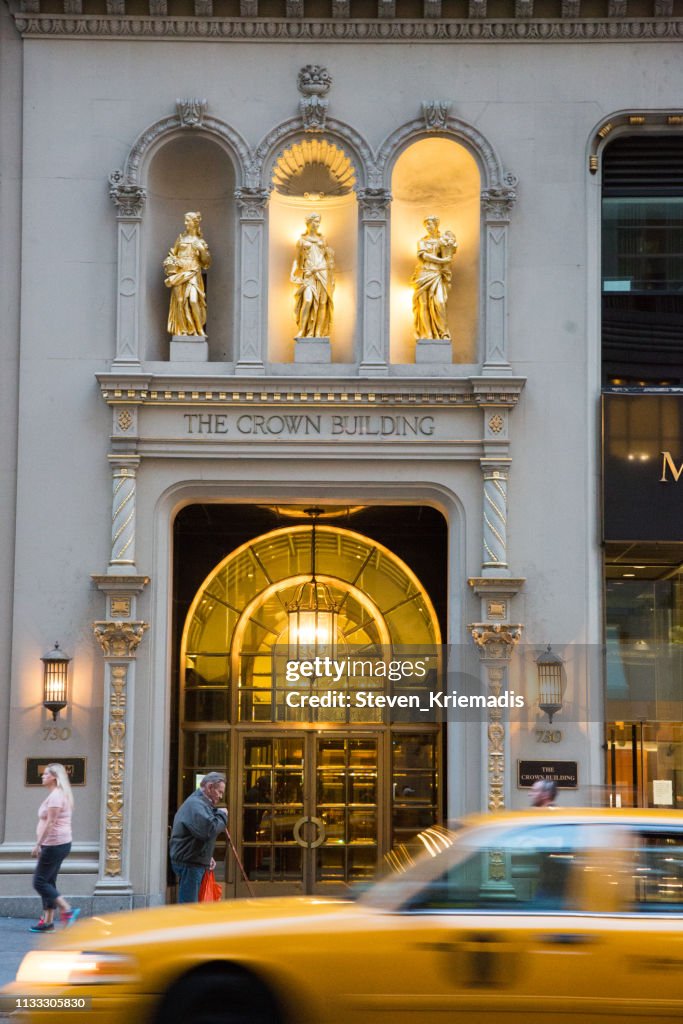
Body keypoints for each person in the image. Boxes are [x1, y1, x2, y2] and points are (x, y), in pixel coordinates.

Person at [30, 763, 79, 932]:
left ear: (54, 777)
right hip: (57, 844)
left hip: (54, 844)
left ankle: (67, 909)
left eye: (45, 774)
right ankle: (48, 921)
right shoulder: (56, 795)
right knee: (48, 880)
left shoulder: (56, 796)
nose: (42, 776)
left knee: (39, 882)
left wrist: (38, 845)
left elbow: (51, 823)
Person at [170, 772, 227, 903]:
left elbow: (200, 833)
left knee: (192, 904)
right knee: (189, 907)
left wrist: (207, 856)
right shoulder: (196, 805)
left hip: (193, 860)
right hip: (190, 863)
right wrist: (223, 815)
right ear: (209, 787)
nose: (220, 796)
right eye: (219, 792)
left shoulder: (199, 804)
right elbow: (208, 830)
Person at [163, 211, 212, 337]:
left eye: (187, 221)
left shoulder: (200, 241)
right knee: (179, 301)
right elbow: (173, 254)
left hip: (193, 272)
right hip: (180, 273)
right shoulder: (180, 239)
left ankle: (199, 329)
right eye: (185, 221)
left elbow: (206, 262)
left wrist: (201, 250)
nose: (185, 223)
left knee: (194, 300)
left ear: (194, 223)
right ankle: (183, 330)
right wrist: (170, 262)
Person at [411, 215, 457, 340]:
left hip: (437, 274)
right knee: (423, 304)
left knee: (440, 302)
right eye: (426, 224)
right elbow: (424, 256)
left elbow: (448, 255)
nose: (427, 226)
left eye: (430, 224)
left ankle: (443, 333)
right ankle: (427, 334)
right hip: (424, 274)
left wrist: (446, 259)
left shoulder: (442, 241)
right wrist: (441, 260)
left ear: (436, 225)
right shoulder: (422, 242)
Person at [290, 213, 335, 338]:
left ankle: (318, 332)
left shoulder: (323, 240)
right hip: (309, 273)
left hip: (322, 271)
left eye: (318, 222)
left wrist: (331, 273)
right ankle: (302, 330)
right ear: (308, 223)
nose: (317, 224)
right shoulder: (301, 241)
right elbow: (298, 260)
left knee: (322, 302)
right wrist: (294, 273)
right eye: (315, 222)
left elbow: (328, 256)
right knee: (308, 300)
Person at [243, 776, 271, 880]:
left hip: (251, 824)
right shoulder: (254, 794)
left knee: (250, 848)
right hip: (250, 825)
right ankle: (247, 870)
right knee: (249, 848)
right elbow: (253, 811)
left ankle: (249, 869)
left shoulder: (255, 792)